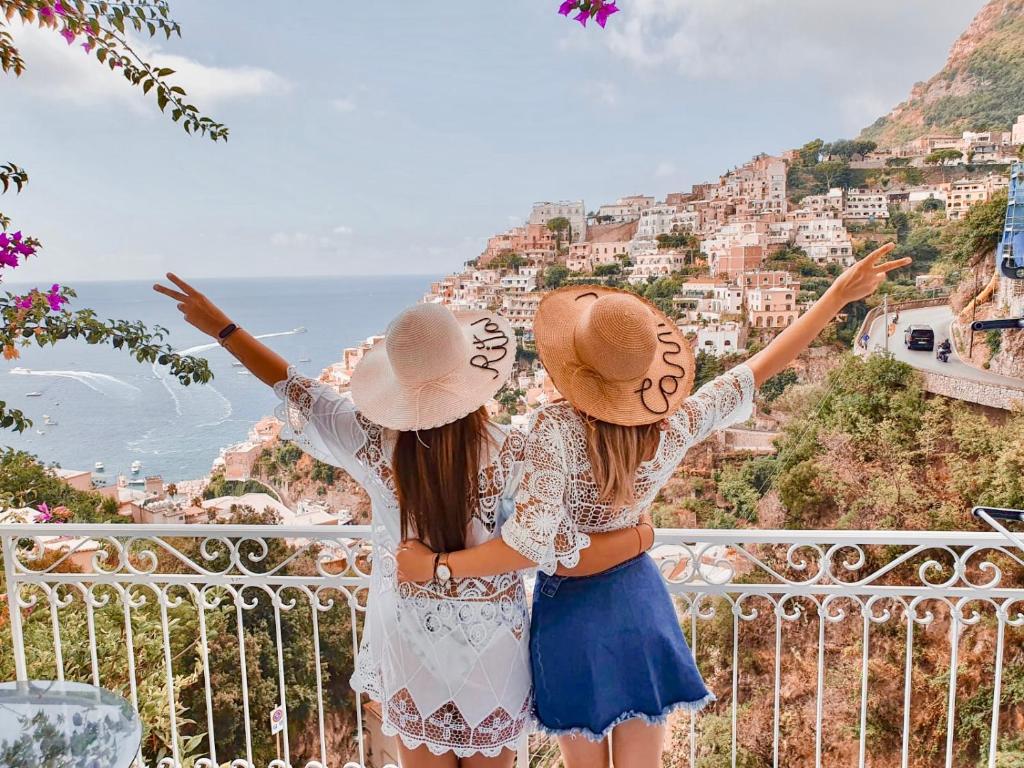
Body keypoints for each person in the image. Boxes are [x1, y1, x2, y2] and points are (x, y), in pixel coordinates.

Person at [397, 243, 909, 768]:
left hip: (572, 617)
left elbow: (533, 544)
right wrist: (834, 298)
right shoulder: (672, 429)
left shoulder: (556, 429)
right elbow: (757, 370)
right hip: (640, 603)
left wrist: (437, 567)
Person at [152, 276, 650, 768]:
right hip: (493, 648)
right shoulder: (513, 451)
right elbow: (537, 546)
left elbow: (294, 386)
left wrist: (224, 329)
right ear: (472, 372)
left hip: (410, 642)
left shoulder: (372, 443)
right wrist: (641, 533)